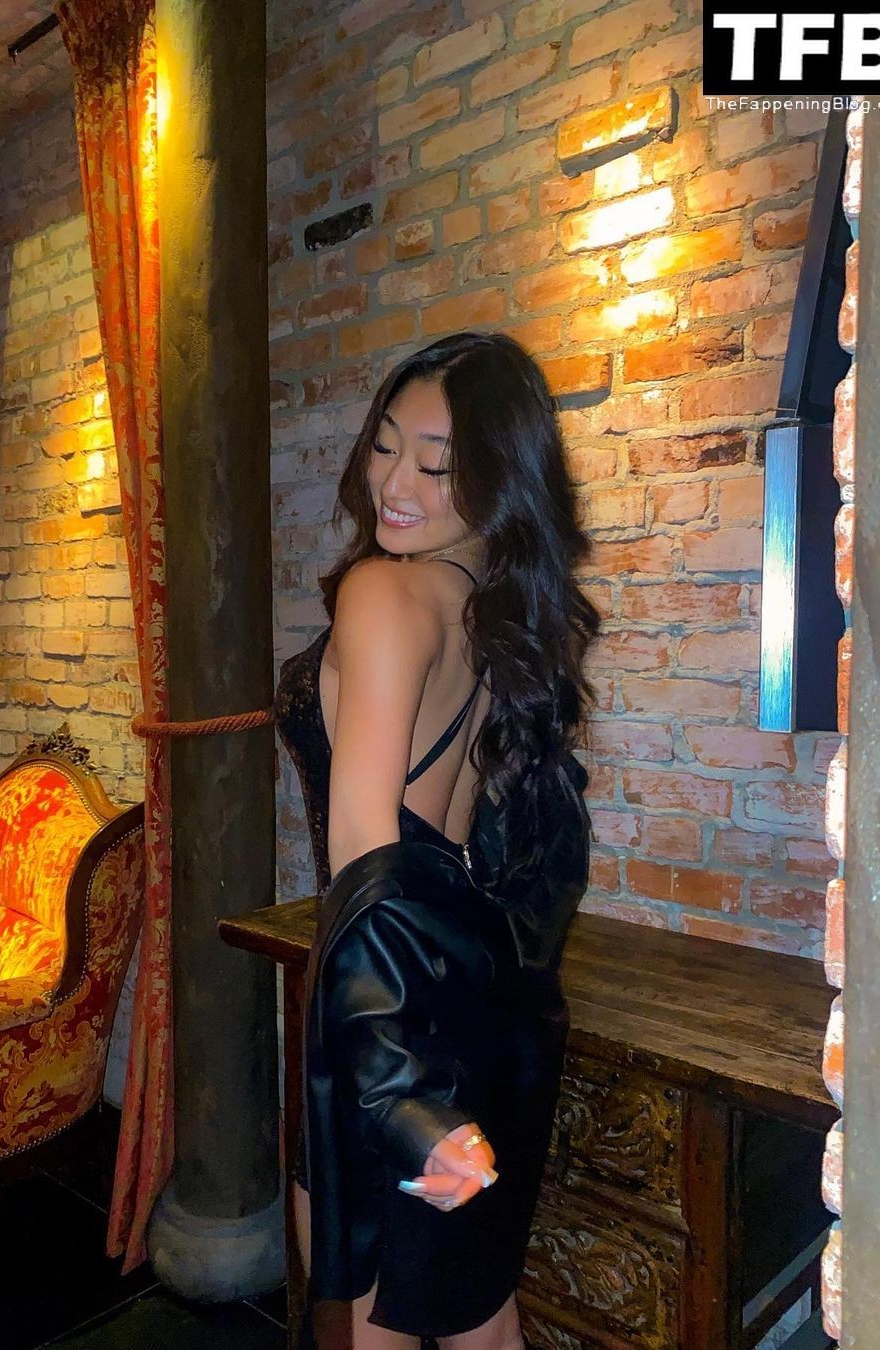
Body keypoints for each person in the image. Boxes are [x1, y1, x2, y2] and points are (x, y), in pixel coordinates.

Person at [273, 331, 599, 1348]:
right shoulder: (506, 615)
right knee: (479, 1322)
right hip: (479, 999)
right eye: (384, 446)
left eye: (437, 463)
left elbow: (366, 841)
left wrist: (395, 1091)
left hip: (387, 1010)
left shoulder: (382, 593)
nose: (393, 483)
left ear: (497, 478)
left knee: (370, 1320)